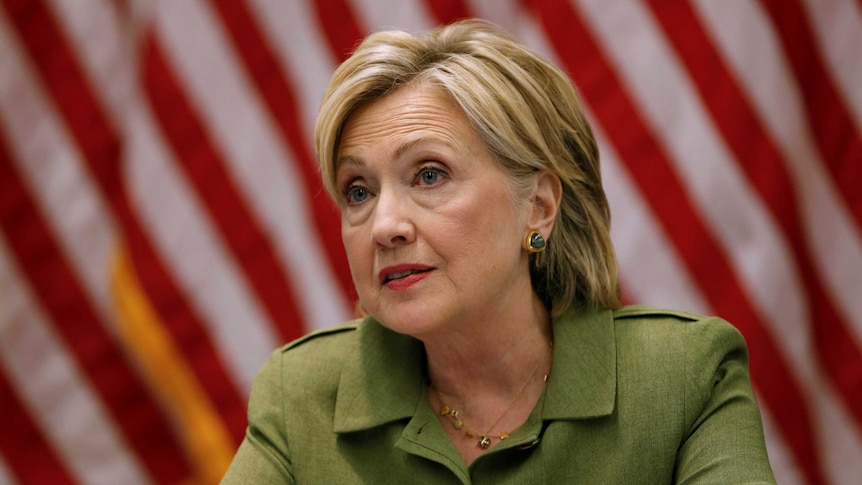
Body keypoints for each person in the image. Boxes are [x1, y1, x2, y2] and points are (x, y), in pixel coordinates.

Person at [222, 19, 775, 484]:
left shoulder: (683, 379)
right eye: (359, 191)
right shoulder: (300, 396)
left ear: (537, 208)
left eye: (430, 175)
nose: (384, 226)